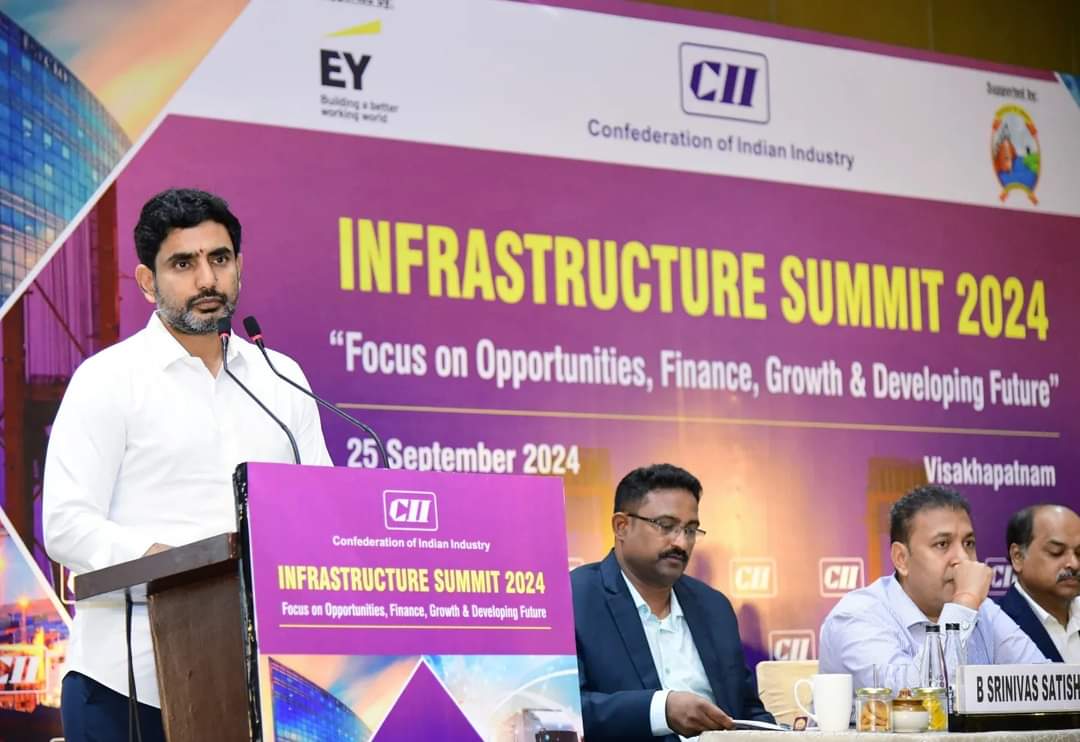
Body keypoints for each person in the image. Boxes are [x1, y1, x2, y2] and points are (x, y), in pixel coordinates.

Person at [43, 188, 331, 741]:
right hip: (128, 686)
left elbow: (321, 512)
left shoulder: (281, 379)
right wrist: (165, 561)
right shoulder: (108, 380)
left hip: (265, 687)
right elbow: (65, 524)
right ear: (147, 281)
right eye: (183, 264)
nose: (206, 279)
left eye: (219, 259)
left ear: (239, 265)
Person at [571, 463, 773, 741]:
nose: (681, 542)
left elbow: (747, 710)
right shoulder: (575, 599)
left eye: (690, 530)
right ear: (621, 526)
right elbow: (562, 712)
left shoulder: (714, 607)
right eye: (666, 526)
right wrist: (660, 710)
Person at [819, 485, 1047, 691]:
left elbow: (1046, 683)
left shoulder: (982, 609)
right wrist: (964, 602)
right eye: (942, 544)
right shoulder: (857, 616)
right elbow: (911, 702)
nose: (962, 558)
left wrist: (967, 604)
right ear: (901, 559)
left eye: (968, 543)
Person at [999, 505, 1080, 662]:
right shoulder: (994, 624)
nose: (1074, 564)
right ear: (1018, 557)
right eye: (1056, 552)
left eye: (1079, 553)